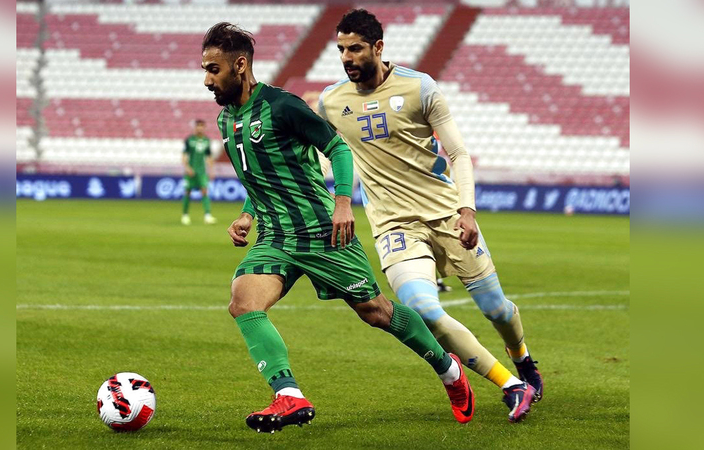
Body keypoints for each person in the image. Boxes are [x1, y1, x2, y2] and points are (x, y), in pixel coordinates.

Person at [201, 22, 476, 433]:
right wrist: (248, 214)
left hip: (322, 232)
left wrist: (343, 203)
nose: (207, 80)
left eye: (213, 69)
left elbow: (337, 147)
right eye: (205, 70)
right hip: (276, 237)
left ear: (240, 65)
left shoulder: (282, 106)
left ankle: (448, 369)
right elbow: (262, 177)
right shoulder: (227, 119)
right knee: (243, 302)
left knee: (376, 312)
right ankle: (289, 395)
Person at [318, 9, 543, 423]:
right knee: (423, 309)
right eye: (341, 49)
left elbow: (458, 152)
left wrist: (467, 210)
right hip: (394, 226)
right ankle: (511, 384)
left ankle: (522, 358)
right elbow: (323, 157)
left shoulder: (419, 87)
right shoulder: (331, 102)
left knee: (497, 310)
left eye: (356, 48)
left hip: (447, 216)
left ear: (378, 47)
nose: (347, 57)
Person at [181, 119, 217, 225]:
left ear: (204, 128)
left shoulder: (207, 141)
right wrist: (187, 168)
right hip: (191, 171)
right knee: (188, 191)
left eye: (202, 126)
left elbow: (209, 157)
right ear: (195, 127)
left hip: (202, 171)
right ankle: (185, 215)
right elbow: (184, 155)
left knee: (204, 191)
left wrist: (211, 170)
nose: (200, 128)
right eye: (198, 126)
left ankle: (207, 216)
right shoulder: (189, 140)